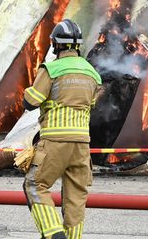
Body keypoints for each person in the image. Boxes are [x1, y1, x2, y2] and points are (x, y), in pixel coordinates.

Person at [21, 19, 102, 239]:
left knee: (35, 185)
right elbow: (91, 105)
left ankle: (54, 234)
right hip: (82, 145)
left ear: (56, 45)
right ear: (77, 46)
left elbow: (31, 102)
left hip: (55, 141)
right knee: (76, 197)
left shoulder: (52, 69)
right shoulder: (92, 73)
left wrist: (29, 89)